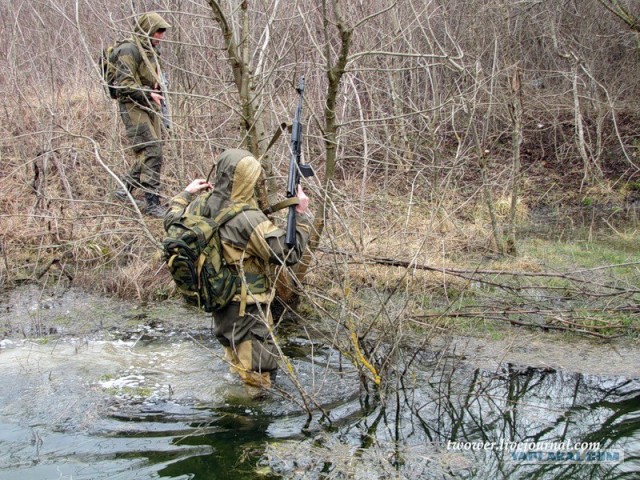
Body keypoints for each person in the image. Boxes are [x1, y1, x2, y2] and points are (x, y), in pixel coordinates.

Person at [164, 149, 312, 389]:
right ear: (248, 179)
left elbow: (171, 220)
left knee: (238, 364)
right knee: (259, 379)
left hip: (219, 300)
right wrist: (302, 216)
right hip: (247, 308)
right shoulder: (248, 219)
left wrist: (185, 194)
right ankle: (246, 419)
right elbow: (289, 254)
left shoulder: (200, 204)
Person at [112, 12, 171, 217]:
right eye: (158, 31)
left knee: (149, 151)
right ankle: (152, 203)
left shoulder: (151, 50)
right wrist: (148, 92)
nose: (161, 35)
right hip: (132, 105)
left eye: (163, 31)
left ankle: (123, 189)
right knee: (153, 150)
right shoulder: (129, 49)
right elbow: (123, 84)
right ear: (148, 30)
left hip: (149, 104)